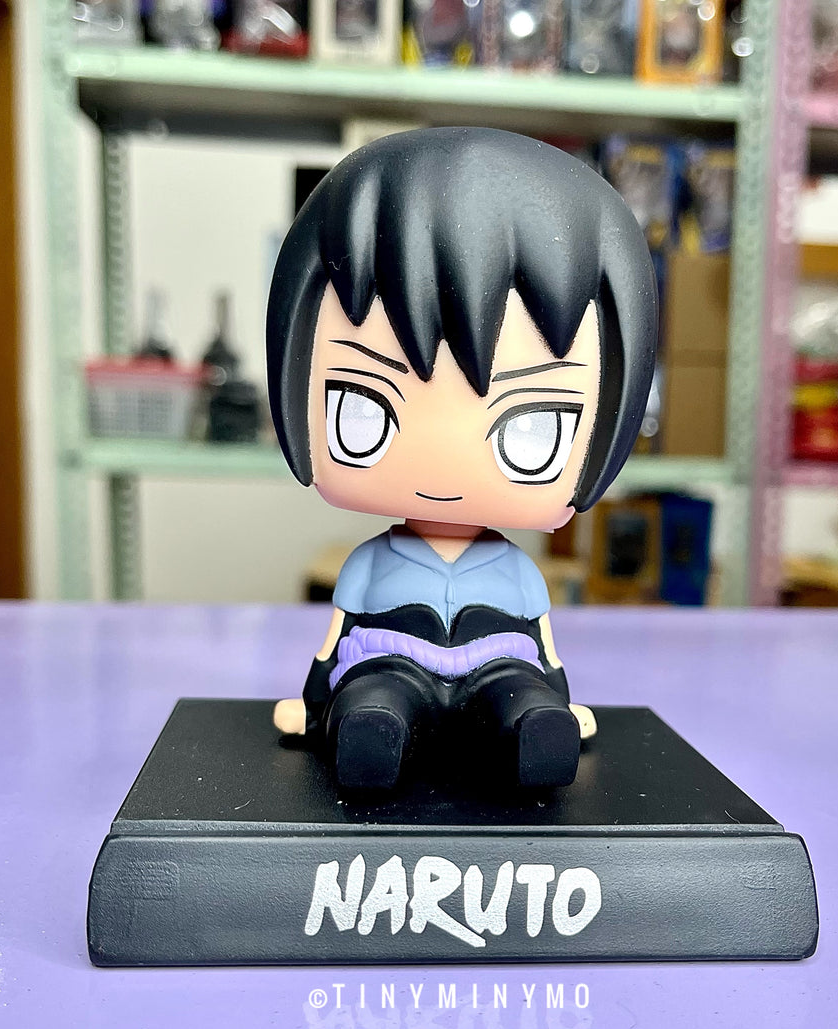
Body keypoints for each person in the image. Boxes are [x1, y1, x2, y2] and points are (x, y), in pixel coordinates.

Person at [265, 127, 657, 789]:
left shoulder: (519, 573)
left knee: (521, 698)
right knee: (374, 699)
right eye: (364, 409)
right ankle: (369, 734)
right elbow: (335, 639)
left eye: (533, 429)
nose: (445, 458)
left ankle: (534, 731)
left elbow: (544, 646)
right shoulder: (368, 565)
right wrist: (314, 703)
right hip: (390, 663)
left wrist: (560, 698)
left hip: (497, 666)